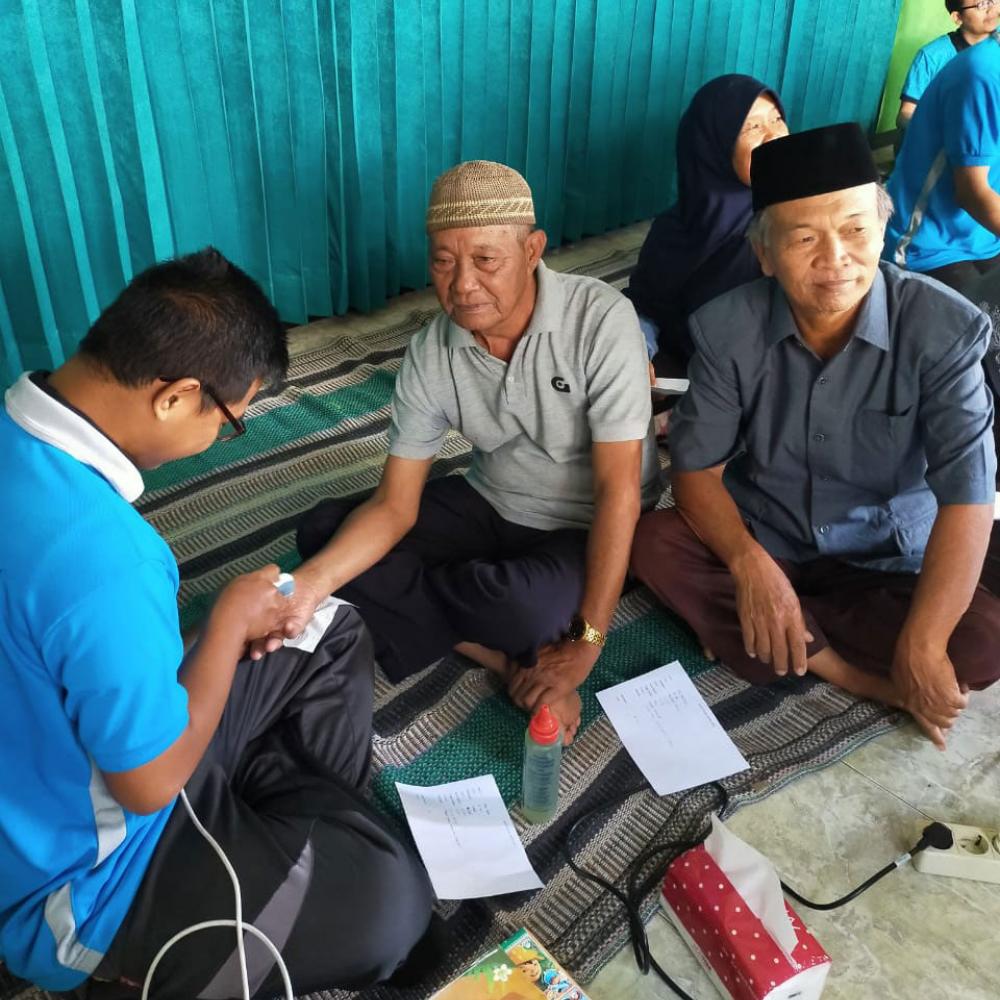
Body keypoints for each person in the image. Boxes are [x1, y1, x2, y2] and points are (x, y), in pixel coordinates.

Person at [0, 249, 434, 998]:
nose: (220, 439)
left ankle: (271, 835)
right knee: (394, 905)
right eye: (229, 422)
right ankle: (261, 856)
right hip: (84, 881)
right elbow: (149, 784)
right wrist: (229, 621)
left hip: (70, 744)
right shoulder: (107, 556)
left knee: (323, 625)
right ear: (176, 397)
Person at [631, 124, 1000, 752]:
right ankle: (847, 670)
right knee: (655, 540)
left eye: (856, 230)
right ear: (765, 254)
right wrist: (751, 567)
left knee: (980, 639)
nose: (835, 259)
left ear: (881, 230)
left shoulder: (943, 330)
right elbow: (695, 471)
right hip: (770, 539)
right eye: (804, 238)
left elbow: (970, 496)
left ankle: (773, 639)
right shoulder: (725, 330)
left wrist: (924, 641)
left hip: (889, 553)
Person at [288, 161, 660, 743]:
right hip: (488, 496)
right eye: (443, 261)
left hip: (582, 520)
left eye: (486, 260)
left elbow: (620, 489)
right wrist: (304, 590)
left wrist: (587, 643)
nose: (462, 284)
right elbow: (394, 506)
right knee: (322, 534)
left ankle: (462, 616)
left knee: (519, 609)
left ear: (533, 249)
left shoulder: (600, 319)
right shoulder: (432, 349)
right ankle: (505, 659)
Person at [624, 74, 788, 366]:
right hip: (681, 378)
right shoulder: (672, 231)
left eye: (777, 119)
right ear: (714, 146)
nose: (774, 135)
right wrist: (637, 352)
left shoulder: (794, 225)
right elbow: (646, 307)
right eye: (753, 126)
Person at [884, 29, 1000, 311]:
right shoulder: (983, 74)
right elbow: (972, 192)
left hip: (984, 235)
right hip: (929, 243)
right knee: (977, 338)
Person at [896, 0, 999, 130]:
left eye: (992, 1)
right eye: (981, 5)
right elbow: (905, 114)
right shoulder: (932, 56)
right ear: (957, 17)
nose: (991, 10)